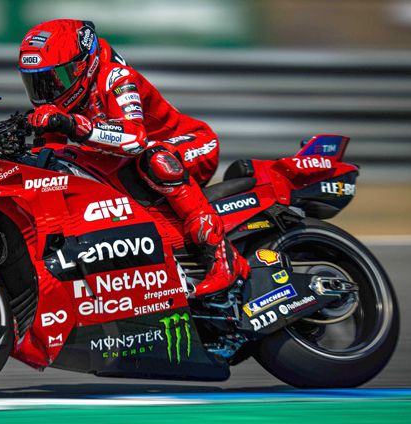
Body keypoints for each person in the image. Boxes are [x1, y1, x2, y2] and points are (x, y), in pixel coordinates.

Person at [18, 19, 249, 296]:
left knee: (156, 160)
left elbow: (135, 138)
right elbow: (48, 154)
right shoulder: (60, 103)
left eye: (56, 79)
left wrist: (73, 125)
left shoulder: (116, 78)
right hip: (139, 165)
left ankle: (224, 258)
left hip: (194, 145)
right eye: (38, 83)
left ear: (84, 65)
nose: (48, 92)